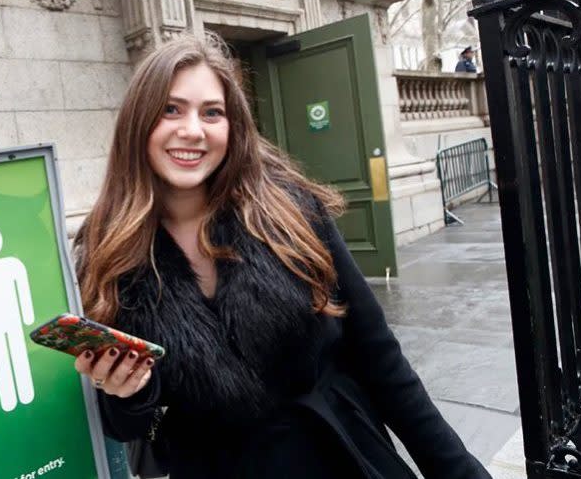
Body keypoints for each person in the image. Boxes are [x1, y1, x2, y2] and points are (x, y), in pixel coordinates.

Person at [72, 34, 490, 478]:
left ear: (232, 127)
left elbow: (379, 357)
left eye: (212, 113)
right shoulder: (109, 252)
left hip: (341, 458)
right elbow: (126, 427)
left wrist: (459, 472)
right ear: (138, 123)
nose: (192, 130)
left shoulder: (290, 211)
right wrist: (128, 392)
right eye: (171, 109)